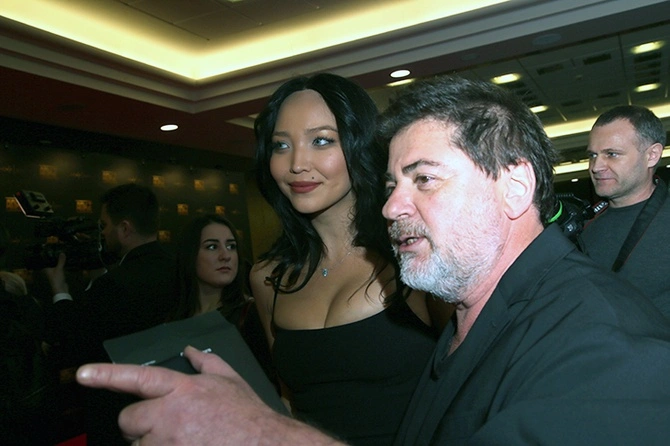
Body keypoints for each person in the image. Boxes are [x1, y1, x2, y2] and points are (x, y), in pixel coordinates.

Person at [74, 75, 670, 445]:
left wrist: (260, 434)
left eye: (424, 179)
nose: (391, 207)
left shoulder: (604, 341)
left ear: (515, 188)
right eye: (391, 185)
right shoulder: (471, 304)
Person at [247, 72, 438, 444]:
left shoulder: (412, 258)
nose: (297, 163)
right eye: (281, 145)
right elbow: (289, 405)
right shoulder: (268, 278)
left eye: (321, 141)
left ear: (359, 144)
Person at [45, 182, 179, 445]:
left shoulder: (114, 284)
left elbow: (77, 344)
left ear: (125, 229)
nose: (102, 234)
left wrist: (59, 290)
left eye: (104, 226)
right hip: (173, 411)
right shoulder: (180, 270)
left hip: (120, 418)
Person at [578, 105, 670, 318]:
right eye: (593, 155)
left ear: (652, 155)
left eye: (612, 154)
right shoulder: (583, 227)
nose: (596, 166)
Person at [170, 214, 274, 386]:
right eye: (212, 247)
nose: (225, 255)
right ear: (190, 254)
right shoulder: (174, 319)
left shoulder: (250, 315)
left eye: (231, 246)